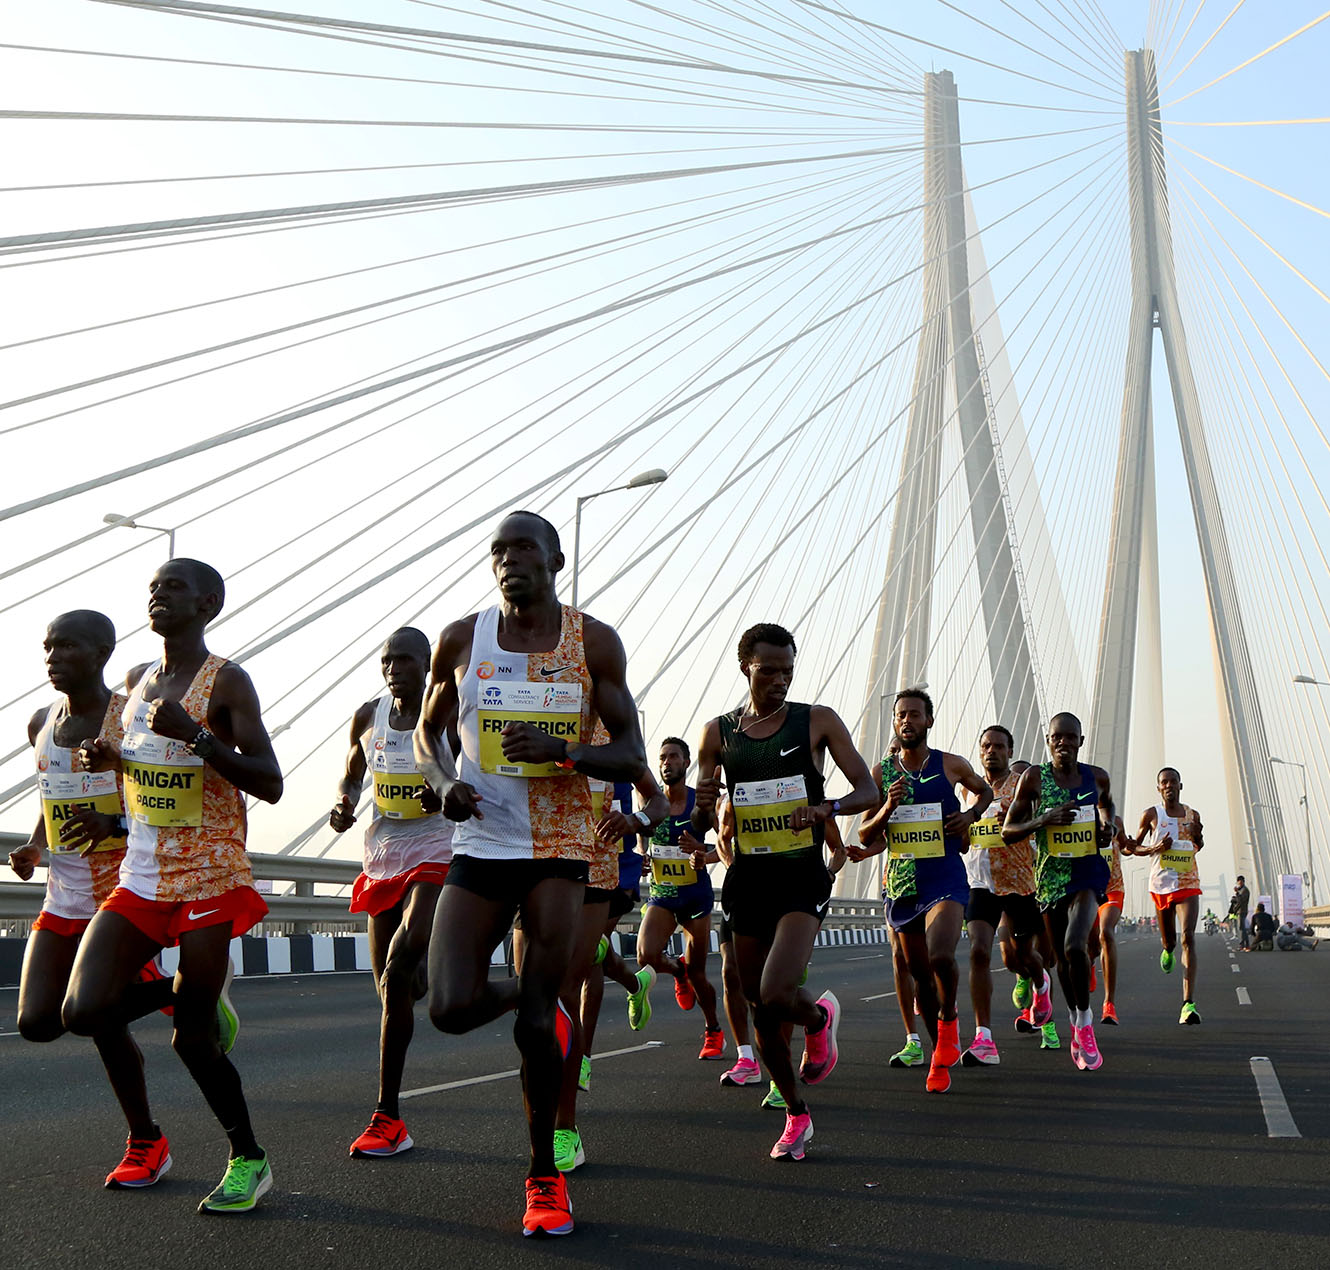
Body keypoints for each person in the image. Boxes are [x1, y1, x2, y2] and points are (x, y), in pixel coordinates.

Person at [413, 510, 646, 1237]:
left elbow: (632, 750)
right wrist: (443, 777)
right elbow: (426, 731)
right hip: (482, 841)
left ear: (555, 558)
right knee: (449, 1005)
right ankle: (539, 999)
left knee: (537, 1028)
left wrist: (566, 752)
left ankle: (544, 1177)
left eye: (523, 547)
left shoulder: (593, 642)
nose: (509, 560)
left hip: (558, 846)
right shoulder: (461, 638)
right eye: (498, 551)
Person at [63, 560, 283, 1213]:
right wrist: (107, 772)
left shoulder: (228, 683)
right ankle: (191, 995)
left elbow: (270, 782)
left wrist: (198, 737)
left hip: (210, 869)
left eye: (173, 587)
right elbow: (135, 765)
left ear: (207, 602)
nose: (157, 595)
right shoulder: (135, 682)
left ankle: (248, 1158)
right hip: (142, 870)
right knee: (83, 1011)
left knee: (191, 1040)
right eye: (153, 587)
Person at [691, 623, 877, 1161]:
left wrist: (828, 809)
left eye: (788, 671)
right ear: (746, 666)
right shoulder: (717, 733)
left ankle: (819, 1017)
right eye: (768, 670)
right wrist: (700, 810)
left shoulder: (815, 720)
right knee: (760, 1008)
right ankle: (797, 1114)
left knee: (776, 993)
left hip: (800, 877)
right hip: (748, 879)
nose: (779, 680)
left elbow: (867, 788)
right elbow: (705, 816)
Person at [9, 610, 175, 1189]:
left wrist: (116, 824)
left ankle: (146, 1143)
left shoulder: (124, 721)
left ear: (102, 652)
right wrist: (33, 847)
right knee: (36, 1024)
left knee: (100, 1022)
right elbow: (51, 795)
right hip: (62, 897)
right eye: (48, 647)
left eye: (67, 647)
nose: (52, 657)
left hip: (118, 894)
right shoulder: (40, 721)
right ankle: (181, 989)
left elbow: (158, 804)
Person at [329, 627, 454, 1157]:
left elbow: (473, 769)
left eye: (405, 660)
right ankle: (417, 978)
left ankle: (387, 1114)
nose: (393, 668)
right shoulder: (369, 715)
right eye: (386, 660)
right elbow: (352, 773)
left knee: (401, 962)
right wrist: (343, 803)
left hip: (437, 849)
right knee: (391, 985)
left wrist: (447, 789)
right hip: (383, 855)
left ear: (426, 665)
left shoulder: (445, 712)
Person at [849, 689, 993, 1093]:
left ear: (929, 721)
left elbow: (985, 791)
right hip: (903, 883)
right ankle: (937, 1053)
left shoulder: (951, 765)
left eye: (914, 714)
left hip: (945, 876)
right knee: (919, 973)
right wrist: (887, 808)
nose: (907, 721)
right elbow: (864, 832)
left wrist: (968, 816)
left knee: (941, 955)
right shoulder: (881, 774)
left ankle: (949, 1020)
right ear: (895, 723)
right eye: (900, 716)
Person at [1002, 712, 1115, 1072]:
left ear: (1081, 741)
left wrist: (1106, 827)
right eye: (1056, 738)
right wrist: (1043, 820)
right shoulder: (1034, 778)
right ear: (1047, 741)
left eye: (1070, 737)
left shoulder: (1096, 776)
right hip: (1050, 878)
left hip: (1087, 873)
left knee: (1074, 946)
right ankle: (1075, 1014)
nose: (1063, 743)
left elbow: (1106, 806)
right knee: (1062, 963)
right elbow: (1009, 830)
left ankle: (1084, 1023)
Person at [959, 727, 1050, 1067]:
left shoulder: (1022, 785)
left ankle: (1041, 984)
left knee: (1023, 958)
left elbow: (1037, 821)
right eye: (986, 746)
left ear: (1010, 751)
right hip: (979, 884)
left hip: (1018, 883)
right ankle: (984, 1038)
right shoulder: (970, 791)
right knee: (979, 951)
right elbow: (966, 838)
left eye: (999, 746)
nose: (991, 751)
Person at [638, 736, 725, 1059]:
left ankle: (714, 1031)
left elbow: (726, 846)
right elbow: (643, 837)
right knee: (646, 955)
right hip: (662, 895)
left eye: (674, 756)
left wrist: (704, 854)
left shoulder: (699, 803)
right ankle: (678, 972)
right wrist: (643, 857)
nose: (666, 762)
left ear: (686, 763)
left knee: (700, 974)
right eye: (662, 757)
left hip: (695, 898)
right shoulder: (650, 799)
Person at [1128, 767, 1205, 1025]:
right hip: (1161, 884)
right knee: (1170, 941)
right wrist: (1155, 848)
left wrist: (1197, 833)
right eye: (1164, 782)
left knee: (1188, 937)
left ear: (1180, 786)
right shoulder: (1151, 814)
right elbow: (1133, 848)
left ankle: (1188, 1004)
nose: (1169, 785)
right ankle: (1166, 949)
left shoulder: (1192, 814)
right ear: (1159, 788)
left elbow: (1199, 844)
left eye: (1173, 782)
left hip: (1187, 881)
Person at [1097, 815, 1127, 1024]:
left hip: (1112, 890)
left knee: (1106, 932)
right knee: (1087, 946)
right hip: (1087, 890)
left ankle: (1109, 1003)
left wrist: (1134, 846)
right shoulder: (1076, 816)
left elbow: (1125, 846)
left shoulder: (1116, 820)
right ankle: (1089, 961)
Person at [1229, 877, 1251, 949]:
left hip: (1242, 911)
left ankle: (1243, 944)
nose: (1239, 883)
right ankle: (1246, 944)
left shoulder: (1244, 890)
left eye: (1240, 882)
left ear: (1243, 882)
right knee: (1241, 927)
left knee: (1241, 928)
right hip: (1239, 911)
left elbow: (1241, 900)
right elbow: (1238, 899)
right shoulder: (1241, 890)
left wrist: (1237, 893)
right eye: (1238, 882)